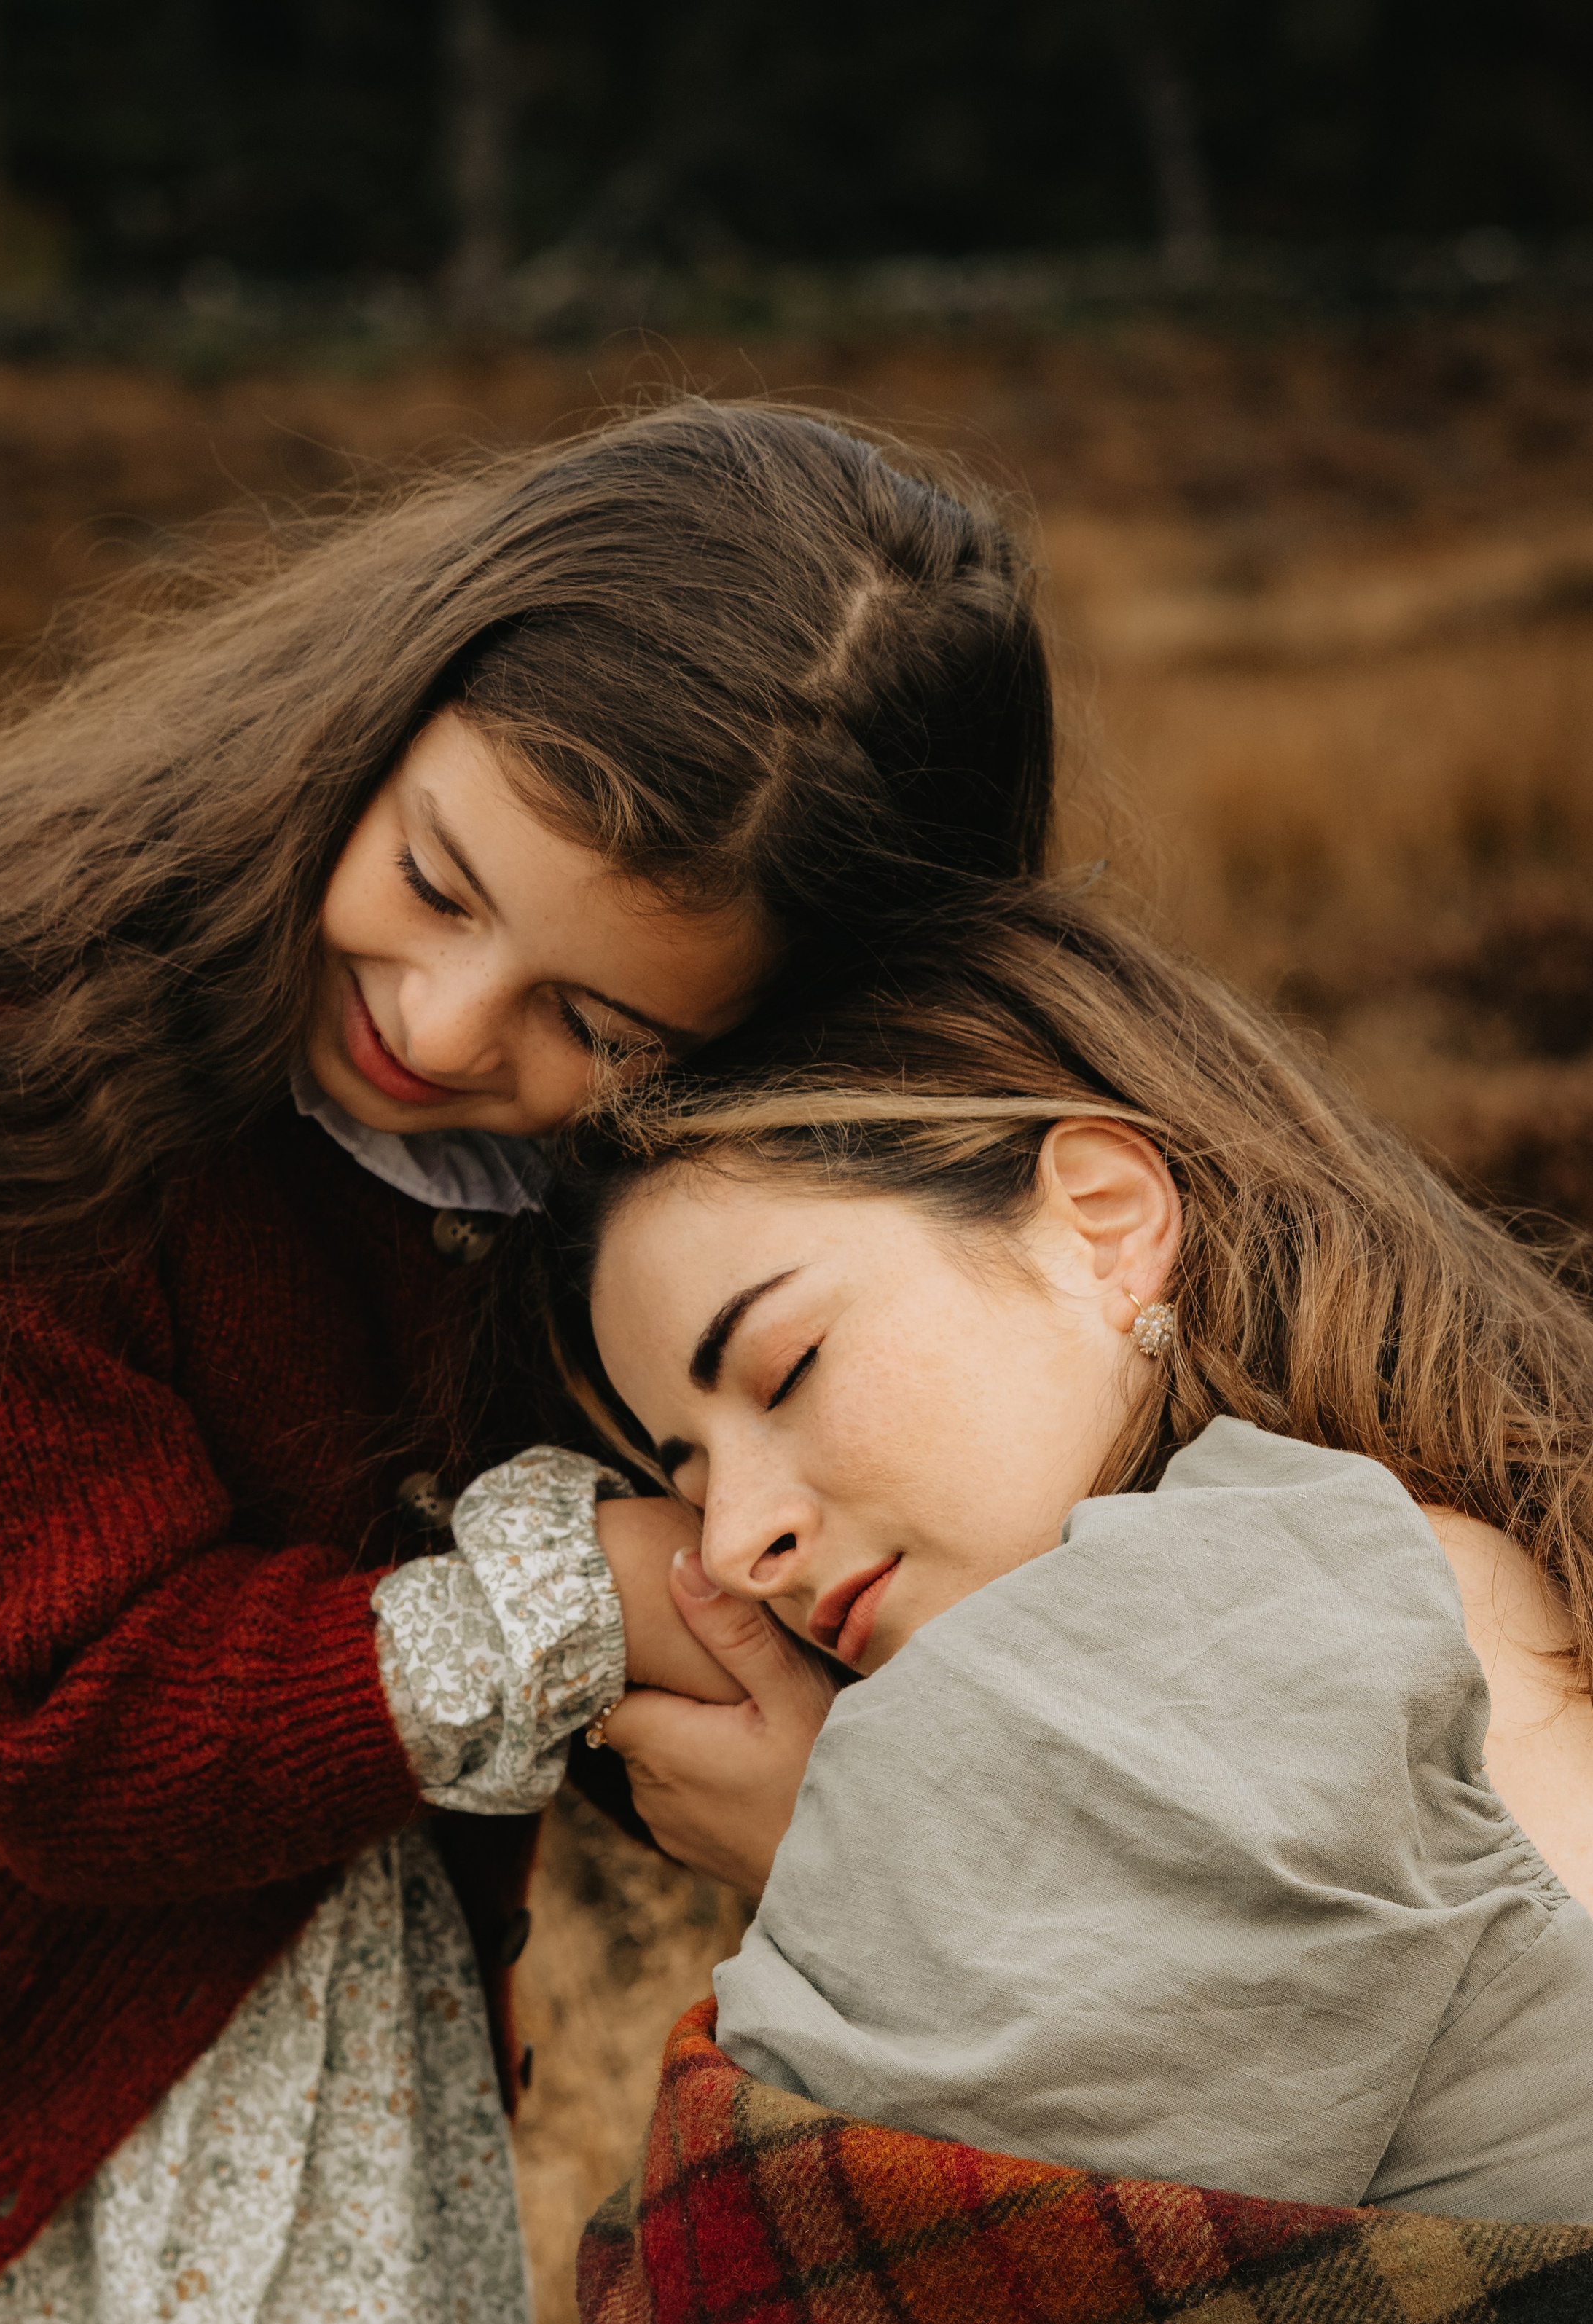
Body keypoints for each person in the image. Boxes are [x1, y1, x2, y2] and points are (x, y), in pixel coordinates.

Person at [0, 399, 1056, 2324]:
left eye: (600, 1024)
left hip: (306, 2024)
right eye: (439, 878)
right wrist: (586, 1603)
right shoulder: (24, 1069)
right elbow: (63, 1724)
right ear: (382, 704)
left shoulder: (618, 1204)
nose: (448, 1031)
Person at [535, 895, 1593, 2221]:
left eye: (786, 1369)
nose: (738, 1543)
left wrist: (837, 1839)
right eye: (681, 1470)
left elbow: (782, 2307)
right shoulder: (1418, 1552)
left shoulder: (1261, 1598)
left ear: (1100, 1220)